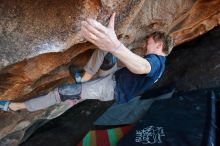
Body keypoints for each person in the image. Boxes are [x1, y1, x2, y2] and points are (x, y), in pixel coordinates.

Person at [0, 13, 173, 112]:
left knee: (63, 92)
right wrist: (113, 47)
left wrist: (116, 46)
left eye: (148, 42)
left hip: (110, 89)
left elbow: (143, 67)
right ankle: (85, 76)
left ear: (159, 44)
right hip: (113, 77)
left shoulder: (155, 63)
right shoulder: (159, 64)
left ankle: (16, 106)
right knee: (105, 49)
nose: (144, 44)